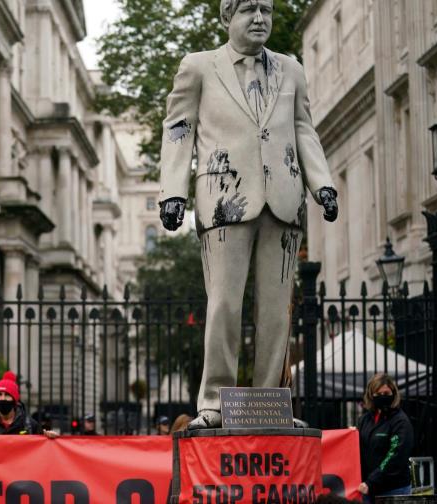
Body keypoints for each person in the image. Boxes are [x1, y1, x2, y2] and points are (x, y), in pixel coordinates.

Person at [157, 0, 339, 430]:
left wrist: (323, 184)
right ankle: (215, 403)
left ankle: (272, 404)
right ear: (226, 18)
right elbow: (178, 129)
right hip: (224, 201)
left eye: (267, 10)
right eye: (248, 10)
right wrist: (172, 192)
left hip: (284, 199)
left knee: (277, 312)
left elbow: (303, 129)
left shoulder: (291, 69)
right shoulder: (199, 66)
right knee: (223, 304)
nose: (260, 19)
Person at [357, 374, 414, 503]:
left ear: (393, 393)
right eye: (378, 393)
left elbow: (395, 456)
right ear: (371, 395)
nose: (382, 396)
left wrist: (372, 481)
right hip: (368, 490)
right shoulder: (365, 420)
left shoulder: (400, 421)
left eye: (386, 392)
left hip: (394, 490)